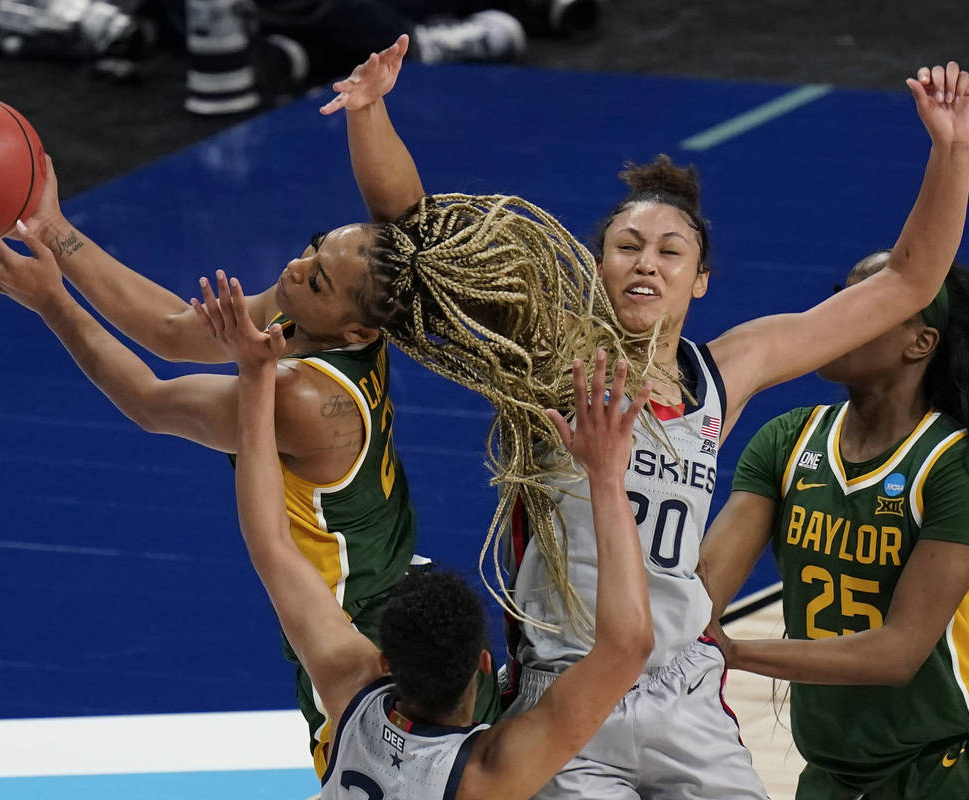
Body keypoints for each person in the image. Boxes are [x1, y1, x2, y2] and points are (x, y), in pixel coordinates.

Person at [324, 39, 969, 798]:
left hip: (682, 690)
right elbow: (419, 234)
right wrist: (369, 110)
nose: (647, 262)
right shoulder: (547, 353)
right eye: (627, 246)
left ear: (700, 281)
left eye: (671, 252)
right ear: (595, 266)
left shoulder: (725, 371)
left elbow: (906, 281)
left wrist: (951, 148)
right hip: (569, 693)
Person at [0, 162, 503, 776]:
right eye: (313, 247)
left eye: (317, 280)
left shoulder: (302, 400)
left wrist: (51, 301)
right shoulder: (330, 319)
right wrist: (52, 229)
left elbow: (151, 402)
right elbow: (175, 331)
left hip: (348, 626)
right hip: (399, 581)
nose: (297, 268)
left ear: (355, 326)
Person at [218, 250, 654, 799]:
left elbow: (271, 543)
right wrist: (610, 479)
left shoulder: (352, 695)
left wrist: (256, 380)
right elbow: (630, 644)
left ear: (383, 660)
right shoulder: (486, 777)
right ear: (483, 664)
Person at [699, 256, 969, 798]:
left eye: (871, 301)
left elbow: (897, 654)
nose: (838, 313)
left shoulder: (954, 465)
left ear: (919, 343)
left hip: (952, 768)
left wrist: (733, 652)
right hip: (832, 774)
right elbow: (701, 594)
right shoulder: (786, 440)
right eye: (840, 295)